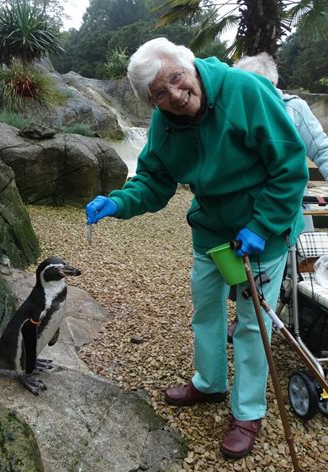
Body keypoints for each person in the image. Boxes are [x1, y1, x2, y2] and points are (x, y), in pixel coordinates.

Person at [86, 38, 307, 459]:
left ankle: (248, 411)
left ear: (188, 64)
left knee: (250, 322)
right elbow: (153, 180)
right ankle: (209, 383)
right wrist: (118, 201)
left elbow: (289, 167)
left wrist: (262, 225)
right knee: (205, 311)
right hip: (211, 232)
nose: (174, 95)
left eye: (175, 78)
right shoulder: (163, 123)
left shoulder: (244, 92)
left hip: (264, 229)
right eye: (159, 95)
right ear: (151, 104)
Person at [227, 52, 328, 340]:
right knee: (242, 264)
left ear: (272, 85)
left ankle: (295, 322)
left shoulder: (293, 108)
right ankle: (248, 319)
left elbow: (322, 150)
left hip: (285, 207)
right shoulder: (234, 108)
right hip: (244, 209)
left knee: (293, 264)